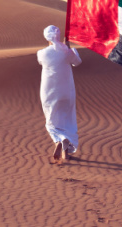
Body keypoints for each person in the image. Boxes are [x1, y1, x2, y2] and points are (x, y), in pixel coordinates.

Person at [37, 25, 82, 164]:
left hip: (49, 91)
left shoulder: (42, 53)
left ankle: (59, 140)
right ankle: (65, 153)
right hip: (66, 91)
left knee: (51, 120)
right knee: (67, 118)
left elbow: (43, 61)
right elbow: (77, 62)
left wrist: (64, 49)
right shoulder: (67, 52)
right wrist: (68, 48)